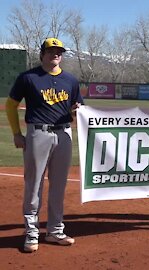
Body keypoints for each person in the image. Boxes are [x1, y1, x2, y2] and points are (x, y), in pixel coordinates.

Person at [5, 37, 83, 252]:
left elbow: (76, 109)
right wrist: (16, 134)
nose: (55, 54)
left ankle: (55, 230)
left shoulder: (70, 80)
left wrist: (76, 111)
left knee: (59, 185)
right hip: (38, 133)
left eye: (59, 51)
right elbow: (11, 105)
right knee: (34, 184)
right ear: (43, 54)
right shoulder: (29, 78)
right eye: (51, 51)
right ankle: (31, 231)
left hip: (64, 134)